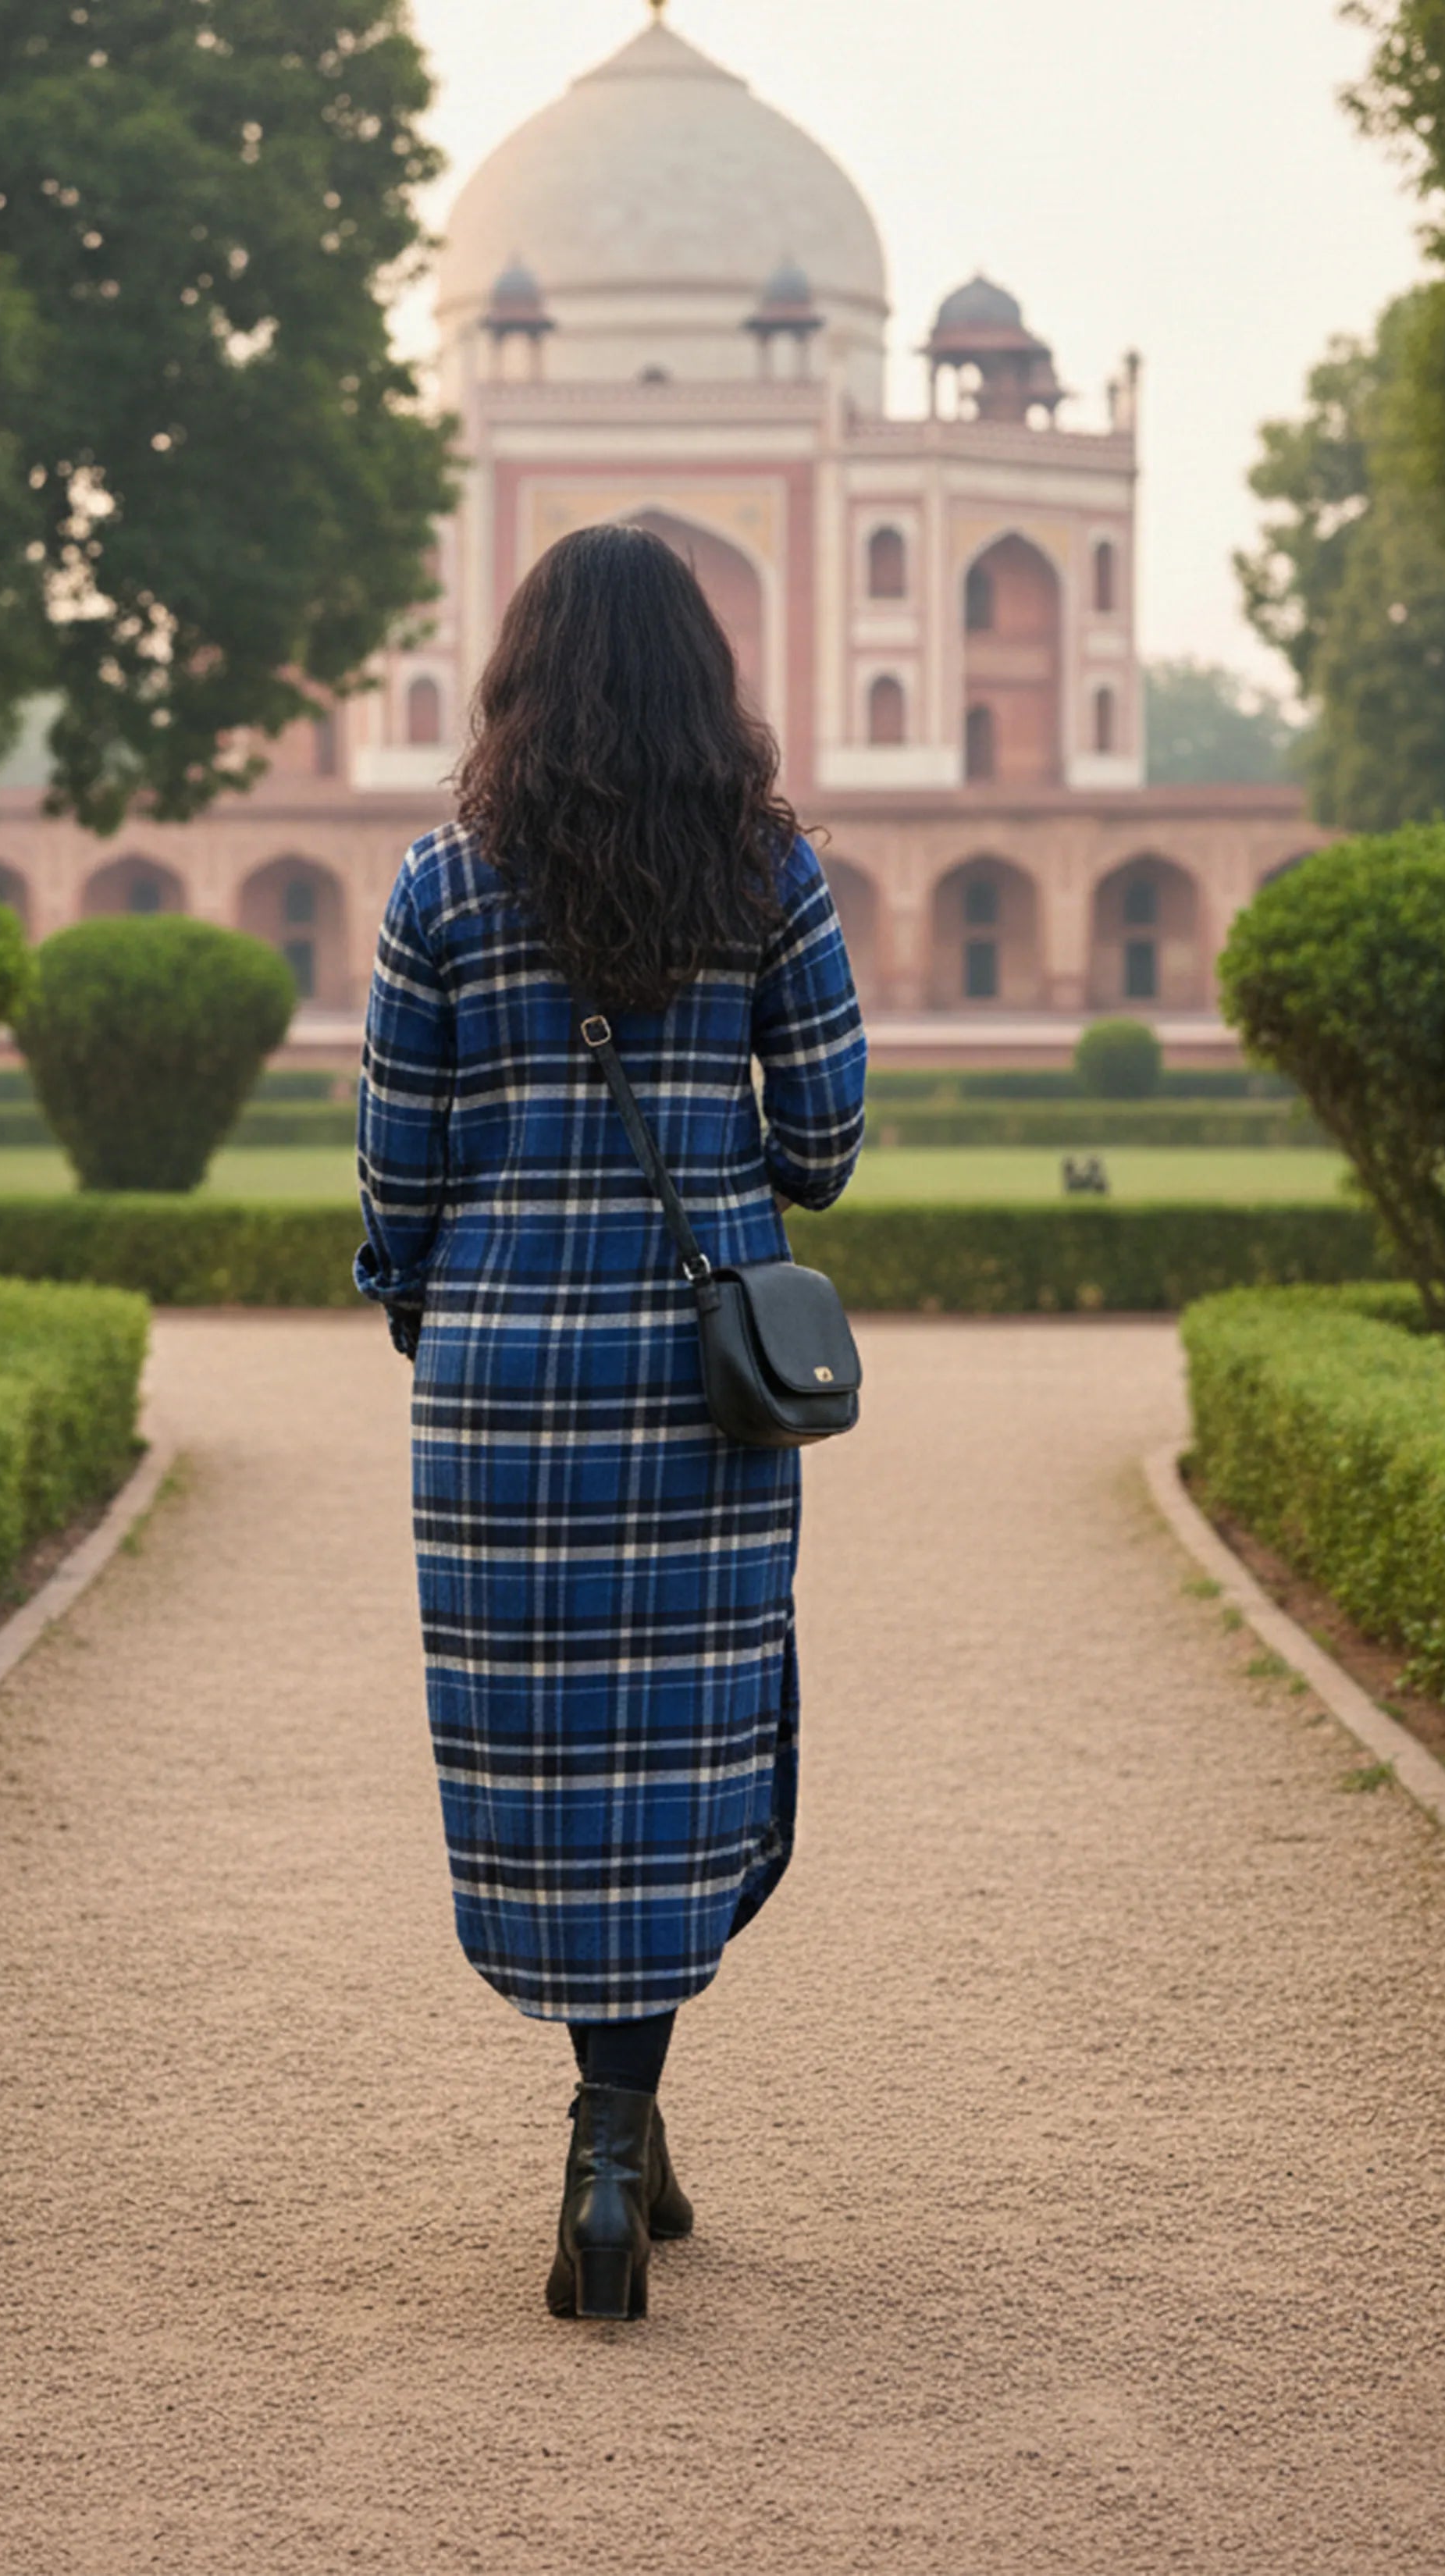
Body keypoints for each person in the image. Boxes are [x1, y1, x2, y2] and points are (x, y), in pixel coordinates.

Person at [354, 523, 866, 2322]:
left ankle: (612, 2136)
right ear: (703, 674)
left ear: (516, 669)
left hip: (500, 1387)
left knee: (550, 1767)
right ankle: (613, 2129)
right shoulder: (765, 872)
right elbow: (818, 1142)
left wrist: (453, 1324)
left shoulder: (439, 881)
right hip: (696, 1390)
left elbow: (392, 1179)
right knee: (692, 1757)